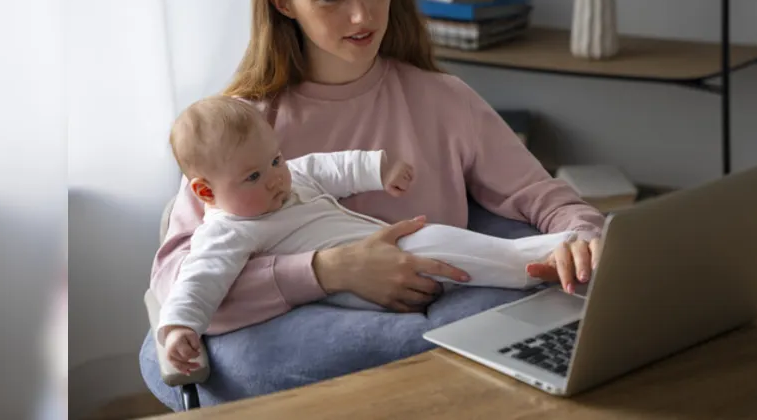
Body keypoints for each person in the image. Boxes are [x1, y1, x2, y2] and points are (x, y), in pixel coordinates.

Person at [142, 0, 605, 408]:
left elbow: (543, 196)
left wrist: (584, 238)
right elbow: (179, 280)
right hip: (323, 346)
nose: (362, 16)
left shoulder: (444, 100)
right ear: (282, 2)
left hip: (441, 312)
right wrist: (327, 271)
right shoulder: (242, 127)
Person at [158, 96, 579, 374]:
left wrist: (380, 169)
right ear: (206, 191)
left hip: (378, 255)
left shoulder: (290, 178)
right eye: (253, 175)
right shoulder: (226, 230)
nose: (274, 179)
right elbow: (200, 277)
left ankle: (551, 259)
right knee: (437, 244)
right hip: (356, 288)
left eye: (275, 160)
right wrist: (179, 326)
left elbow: (330, 167)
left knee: (442, 248)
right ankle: (541, 259)